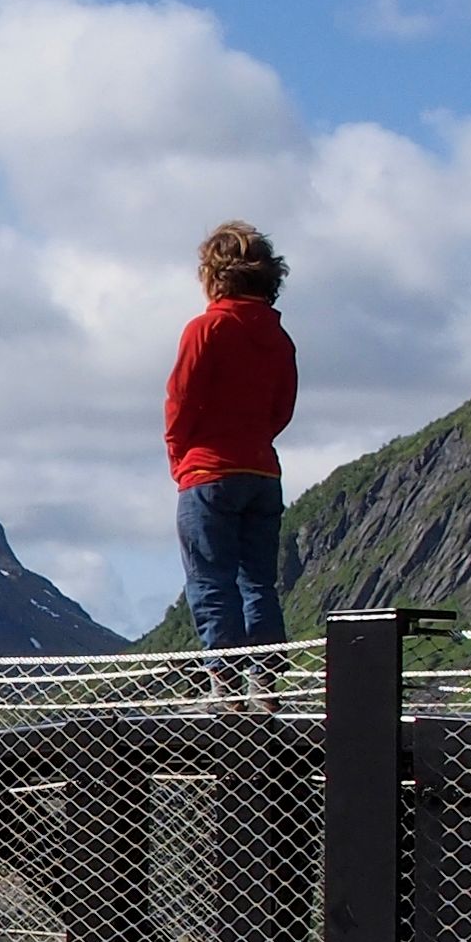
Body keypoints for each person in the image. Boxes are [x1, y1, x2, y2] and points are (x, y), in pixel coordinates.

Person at [166, 220, 298, 651]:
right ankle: (266, 685)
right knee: (258, 583)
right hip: (262, 471)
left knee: (210, 581)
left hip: (208, 471)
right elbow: (282, 409)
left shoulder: (205, 330)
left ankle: (225, 688)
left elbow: (180, 401)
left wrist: (180, 459)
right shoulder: (279, 338)